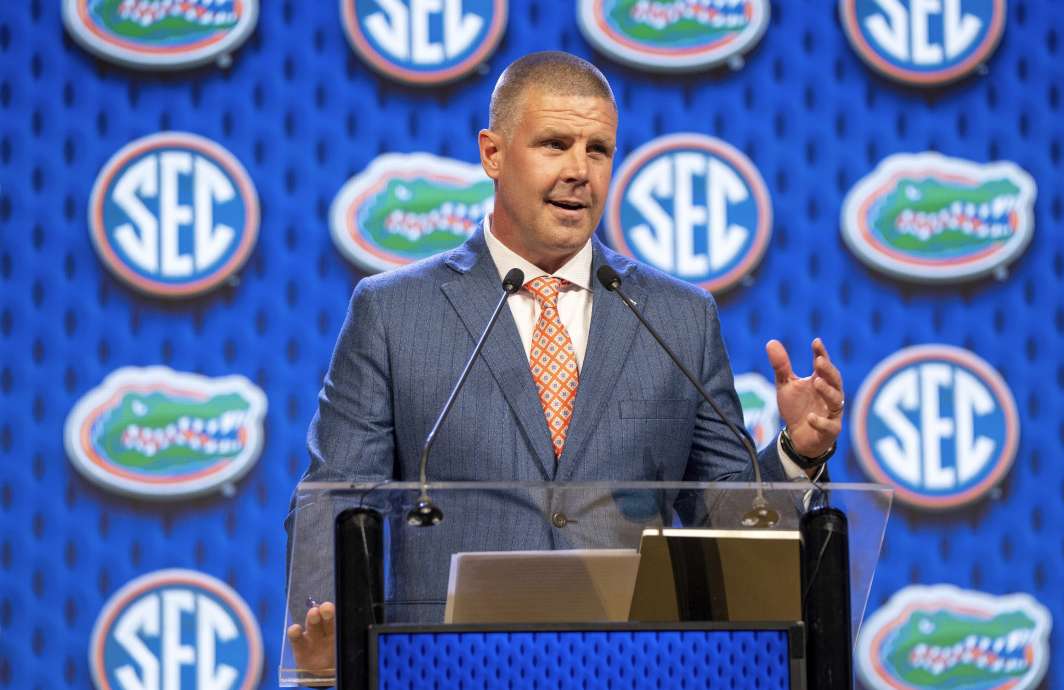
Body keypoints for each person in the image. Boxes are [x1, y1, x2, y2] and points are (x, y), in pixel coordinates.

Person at [286, 51, 845, 675]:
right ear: (493, 154)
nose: (580, 171)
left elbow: (726, 518)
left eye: (599, 149)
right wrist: (324, 643)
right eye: (555, 144)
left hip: (637, 668)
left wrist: (796, 454)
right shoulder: (394, 312)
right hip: (448, 668)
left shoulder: (677, 317)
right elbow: (335, 498)